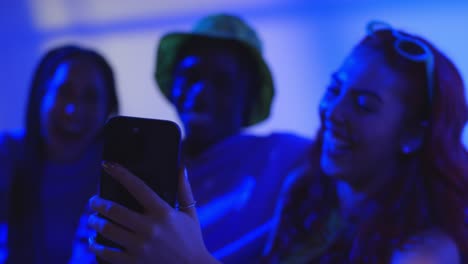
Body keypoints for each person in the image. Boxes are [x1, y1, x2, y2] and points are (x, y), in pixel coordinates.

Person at [87, 20, 468, 263]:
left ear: (414, 134)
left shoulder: (423, 254)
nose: (333, 113)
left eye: (365, 105)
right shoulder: (307, 192)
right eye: (334, 88)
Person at [153, 13, 310, 262]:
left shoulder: (282, 156)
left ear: (248, 97)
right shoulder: (147, 164)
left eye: (222, 81)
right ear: (173, 84)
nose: (201, 90)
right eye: (191, 75)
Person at [0, 44, 119, 263]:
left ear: (108, 110)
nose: (73, 110)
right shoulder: (8, 153)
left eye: (90, 97)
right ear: (42, 96)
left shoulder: (118, 173)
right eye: (64, 92)